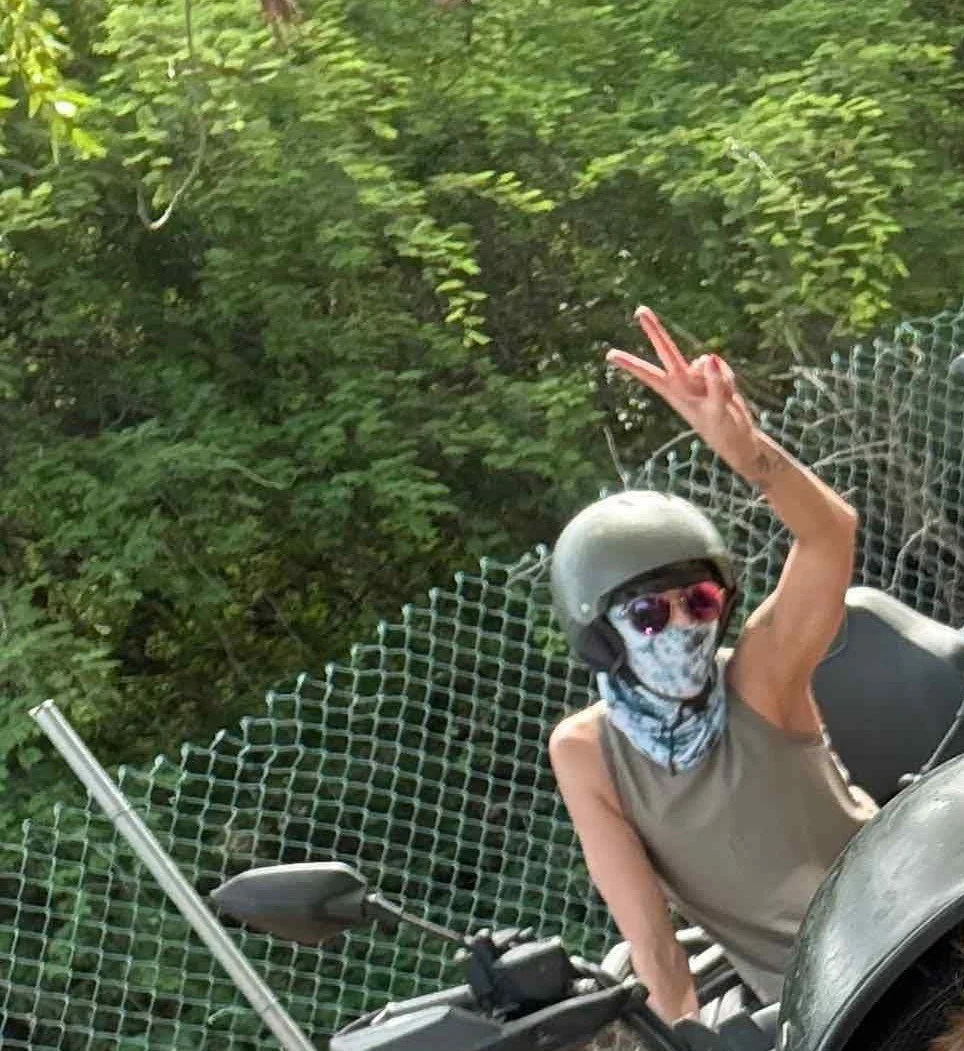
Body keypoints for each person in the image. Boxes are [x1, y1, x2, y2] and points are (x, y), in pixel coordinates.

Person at [548, 306, 878, 1024]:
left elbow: (829, 534)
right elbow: (654, 947)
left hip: (910, 932)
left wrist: (748, 451)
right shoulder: (588, 752)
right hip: (823, 1008)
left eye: (698, 599)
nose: (682, 626)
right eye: (647, 614)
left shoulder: (758, 676)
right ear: (600, 635)